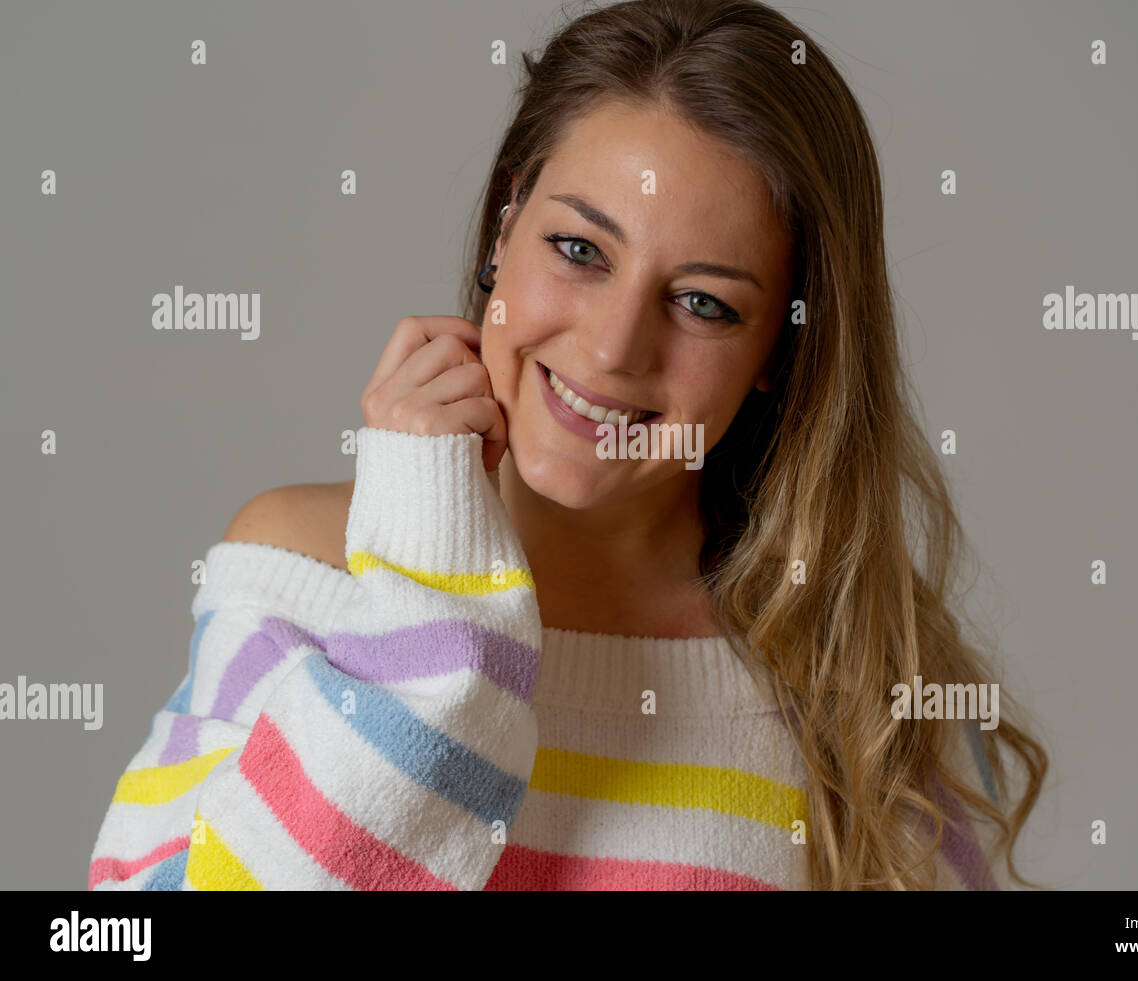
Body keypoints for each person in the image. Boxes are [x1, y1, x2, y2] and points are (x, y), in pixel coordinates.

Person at [88, 0, 1046, 891]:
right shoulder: (298, 569)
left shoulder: (857, 668)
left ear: (779, 347)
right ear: (507, 222)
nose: (612, 346)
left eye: (704, 303)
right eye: (580, 250)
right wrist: (436, 615)